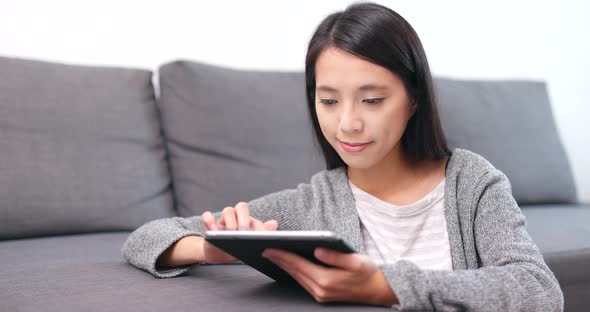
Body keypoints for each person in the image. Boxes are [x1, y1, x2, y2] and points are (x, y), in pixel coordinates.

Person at [122, 2, 563, 310]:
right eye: (328, 101)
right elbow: (144, 237)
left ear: (413, 101)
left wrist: (383, 285)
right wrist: (211, 249)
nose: (347, 124)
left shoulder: (472, 183)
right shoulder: (311, 204)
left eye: (371, 100)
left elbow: (539, 291)